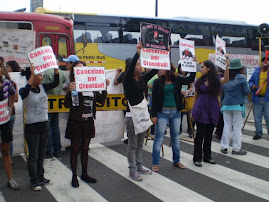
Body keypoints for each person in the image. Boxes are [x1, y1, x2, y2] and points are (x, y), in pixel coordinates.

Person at [64, 61, 109, 188]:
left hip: (88, 121)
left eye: (82, 69)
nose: (80, 71)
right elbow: (66, 104)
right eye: (77, 69)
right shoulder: (72, 85)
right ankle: (74, 176)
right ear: (73, 72)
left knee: (85, 149)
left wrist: (104, 88)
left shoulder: (92, 85)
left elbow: (101, 101)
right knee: (74, 149)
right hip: (76, 122)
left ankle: (84, 173)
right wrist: (69, 91)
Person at [151, 60, 196, 172]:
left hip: (176, 112)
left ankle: (177, 160)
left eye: (161, 68)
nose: (159, 70)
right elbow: (154, 99)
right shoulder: (157, 82)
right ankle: (155, 163)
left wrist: (193, 66)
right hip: (162, 113)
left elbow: (190, 79)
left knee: (175, 138)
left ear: (167, 68)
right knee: (158, 138)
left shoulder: (177, 79)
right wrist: (153, 115)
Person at [20, 66, 59, 191]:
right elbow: (25, 92)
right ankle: (34, 180)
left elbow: (56, 83)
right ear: (32, 77)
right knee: (33, 155)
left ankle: (41, 177)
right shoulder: (24, 90)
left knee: (41, 154)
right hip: (32, 127)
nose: (42, 78)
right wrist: (32, 74)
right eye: (39, 75)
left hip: (44, 125)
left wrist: (56, 70)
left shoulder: (42, 87)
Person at [123, 42, 157, 181]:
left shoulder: (142, 78)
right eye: (137, 64)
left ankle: (139, 166)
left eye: (140, 63)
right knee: (132, 144)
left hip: (143, 115)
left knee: (139, 144)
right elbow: (130, 69)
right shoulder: (127, 79)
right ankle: (132, 170)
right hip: (132, 117)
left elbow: (155, 71)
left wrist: (164, 55)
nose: (140, 65)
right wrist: (137, 52)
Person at [192, 59, 229, 167]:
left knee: (209, 135)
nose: (201, 69)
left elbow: (225, 80)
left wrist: (227, 67)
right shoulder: (199, 81)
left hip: (212, 108)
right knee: (200, 135)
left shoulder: (216, 79)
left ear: (209, 68)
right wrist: (193, 110)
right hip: (201, 108)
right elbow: (196, 95)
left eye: (203, 67)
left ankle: (207, 156)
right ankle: (197, 158)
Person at [220, 58, 250, 155]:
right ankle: (236, 149)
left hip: (226, 105)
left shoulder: (226, 78)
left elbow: (222, 93)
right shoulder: (242, 78)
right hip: (237, 106)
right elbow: (246, 92)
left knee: (227, 126)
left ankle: (224, 147)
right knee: (237, 128)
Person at [0, 66, 20, 190]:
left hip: (5, 122)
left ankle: (10, 180)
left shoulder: (6, 83)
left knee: (6, 152)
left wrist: (10, 107)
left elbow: (13, 94)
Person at [43, 60, 66, 158]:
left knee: (48, 128)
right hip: (57, 101)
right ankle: (57, 149)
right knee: (55, 127)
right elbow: (63, 80)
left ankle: (49, 151)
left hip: (48, 101)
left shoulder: (48, 73)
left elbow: (45, 86)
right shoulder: (61, 72)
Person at [249, 57, 269, 140]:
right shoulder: (257, 71)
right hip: (257, 98)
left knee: (268, 117)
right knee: (257, 117)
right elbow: (250, 81)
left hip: (267, 99)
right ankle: (258, 132)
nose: (264, 63)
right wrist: (252, 85)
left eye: (266, 61)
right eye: (263, 62)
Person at [5, 60, 21, 160]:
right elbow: (16, 98)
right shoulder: (13, 83)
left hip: (6, 113)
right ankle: (9, 158)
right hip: (11, 112)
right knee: (8, 137)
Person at [114, 58, 132, 144]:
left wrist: (118, 72)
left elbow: (116, 82)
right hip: (137, 100)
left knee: (129, 119)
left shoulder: (124, 74)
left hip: (126, 100)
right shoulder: (138, 74)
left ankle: (130, 137)